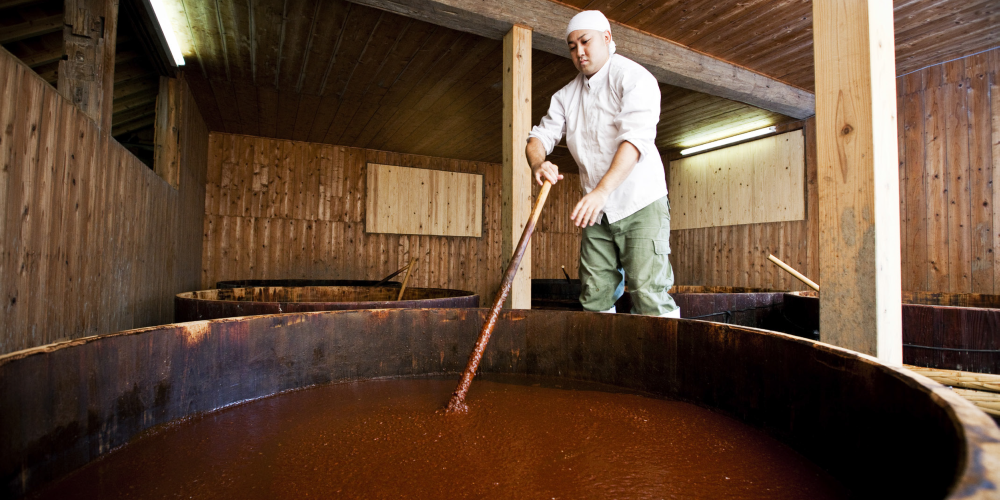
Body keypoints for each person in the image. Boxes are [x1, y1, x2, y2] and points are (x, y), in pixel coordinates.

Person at [525, 10, 680, 318]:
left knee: (648, 292)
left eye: (586, 41)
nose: (579, 52)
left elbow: (634, 141)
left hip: (640, 202)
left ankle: (663, 364)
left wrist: (601, 191)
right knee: (594, 293)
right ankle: (602, 364)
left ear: (607, 39)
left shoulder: (635, 79)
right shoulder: (566, 96)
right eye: (572, 46)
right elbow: (537, 138)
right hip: (597, 212)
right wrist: (538, 163)